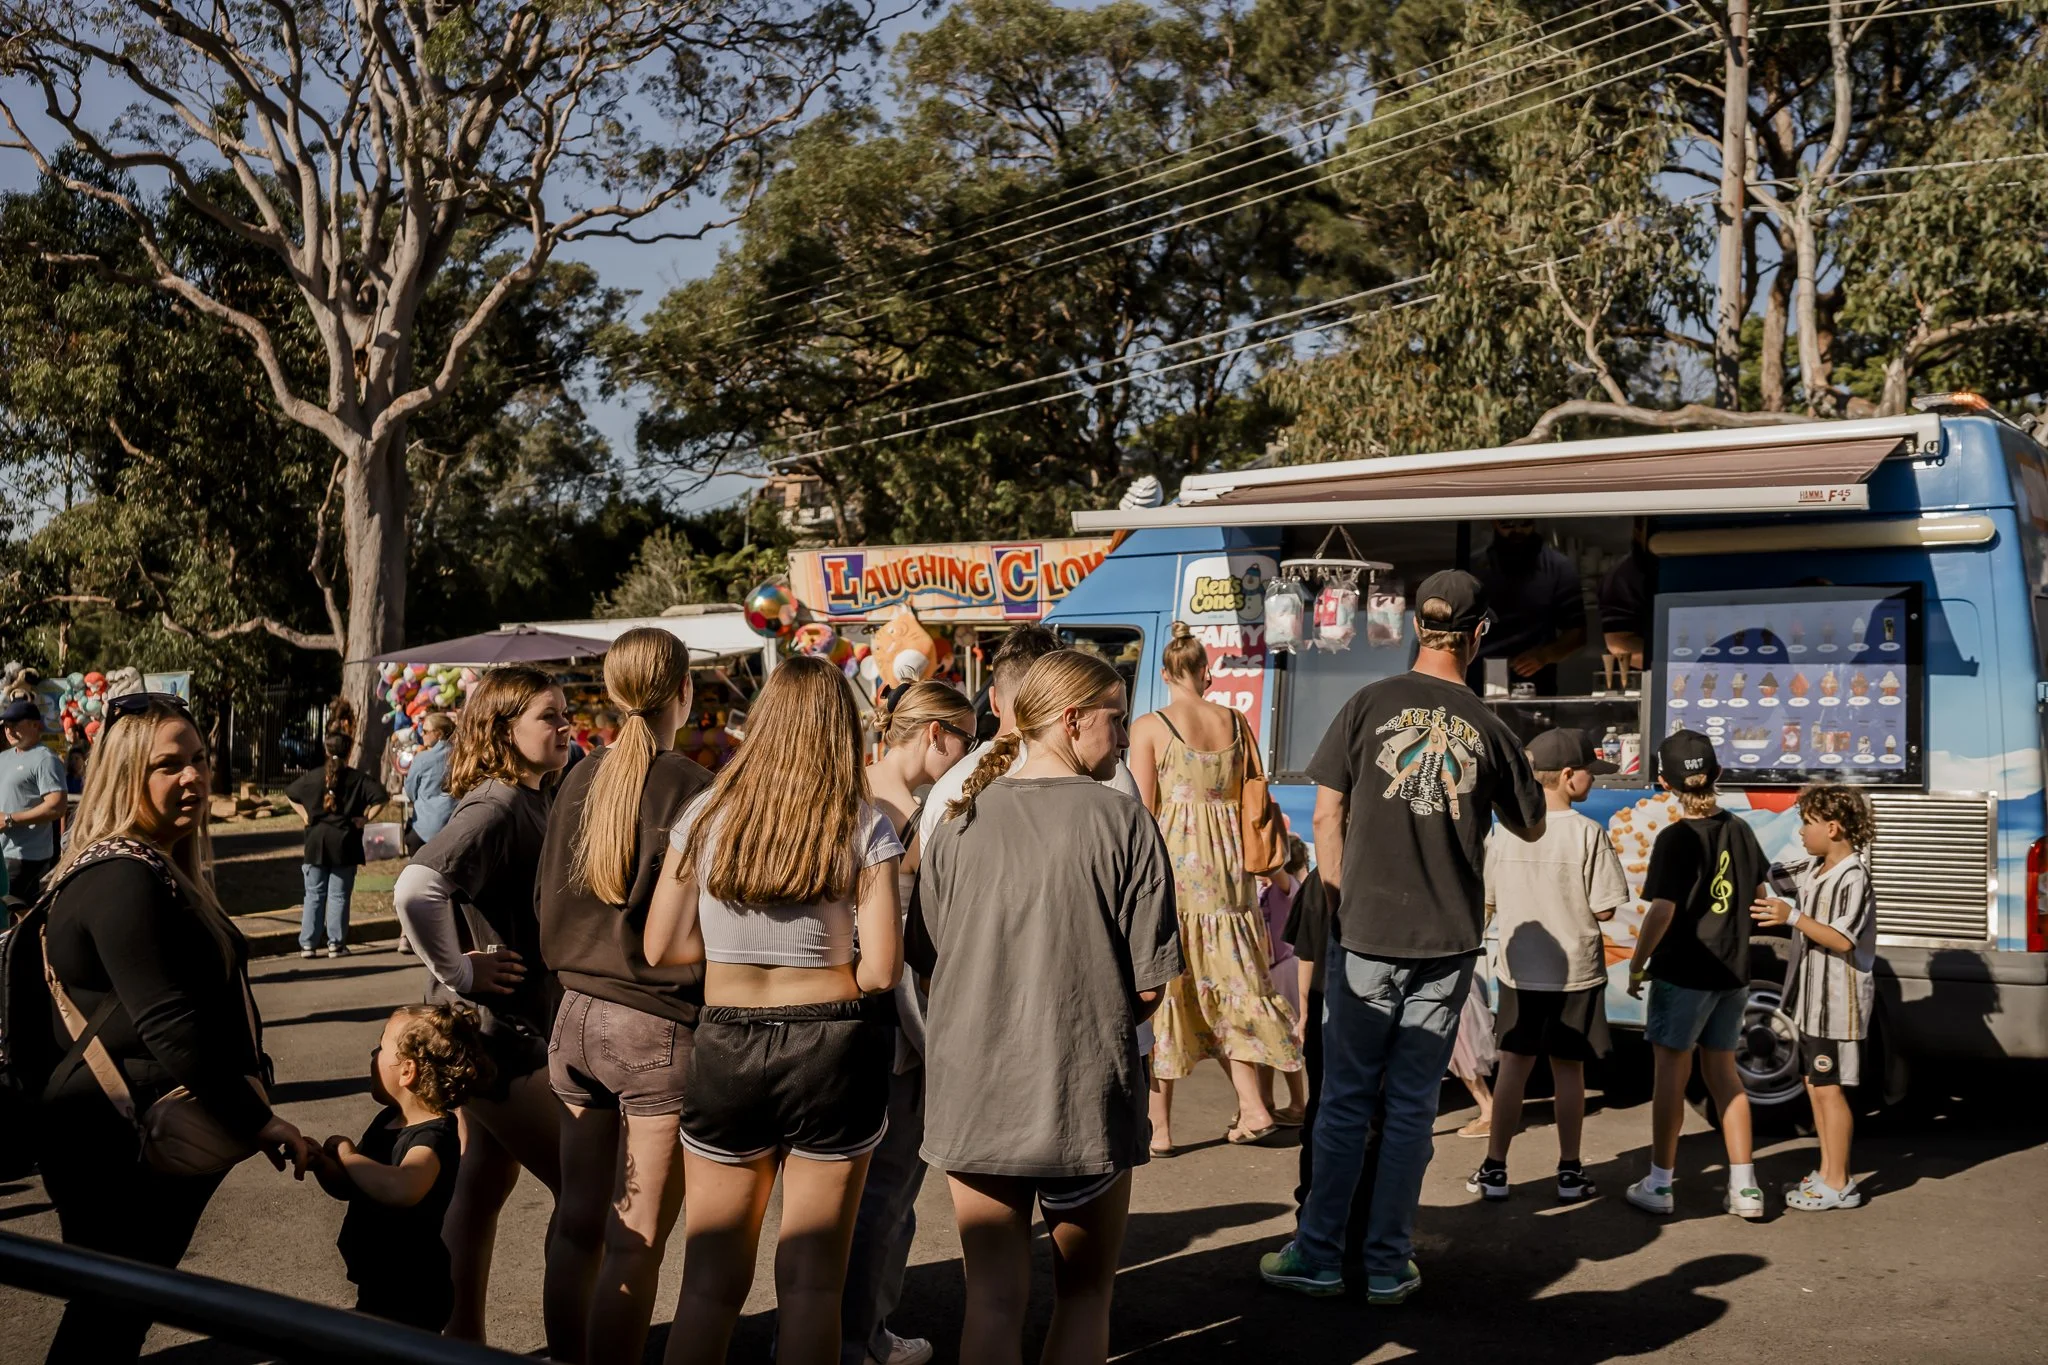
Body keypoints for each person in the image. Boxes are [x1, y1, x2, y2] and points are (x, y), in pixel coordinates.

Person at [1261, 569, 1546, 1304]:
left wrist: (1335, 902)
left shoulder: (1365, 704)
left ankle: (1319, 1253)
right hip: (1447, 941)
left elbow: (1326, 817)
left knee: (1346, 1100)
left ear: (1419, 625)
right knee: (1413, 1104)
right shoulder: (1490, 727)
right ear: (1480, 633)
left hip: (1365, 933)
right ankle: (1387, 1261)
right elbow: (1532, 821)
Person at [915, 649, 1182, 1365]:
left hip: (976, 1097)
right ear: (1072, 720)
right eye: (1116, 719)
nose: (1126, 737)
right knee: (1085, 1298)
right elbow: (1150, 985)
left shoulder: (958, 821)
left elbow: (934, 954)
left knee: (992, 1303)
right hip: (1082, 1094)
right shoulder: (1124, 822)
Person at [33, 692, 313, 1362]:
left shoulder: (150, 865)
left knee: (118, 1307)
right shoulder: (124, 876)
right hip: (117, 1139)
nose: (192, 776)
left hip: (131, 1129)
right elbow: (169, 1024)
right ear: (127, 775)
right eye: (168, 765)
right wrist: (257, 1119)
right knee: (111, 1313)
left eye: (198, 760)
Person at [644, 654, 904, 1365]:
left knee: (707, 1285)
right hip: (831, 1048)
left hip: (727, 1043)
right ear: (839, 730)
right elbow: (881, 968)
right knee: (814, 1285)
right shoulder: (861, 821)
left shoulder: (705, 814)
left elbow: (662, 944)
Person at [538, 629, 713, 1364]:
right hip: (654, 1027)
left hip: (572, 1015)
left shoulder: (579, 776)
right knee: (635, 1242)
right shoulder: (692, 787)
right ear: (685, 691)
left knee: (576, 1221)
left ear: (609, 695)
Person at [392, 665, 573, 1346]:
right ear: (504, 729)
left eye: (564, 713)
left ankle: (459, 1340)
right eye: (548, 717)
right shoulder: (495, 805)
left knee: (481, 1187)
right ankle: (574, 1345)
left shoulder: (532, 794)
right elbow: (415, 887)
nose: (564, 727)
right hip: (503, 1041)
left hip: (503, 1035)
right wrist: (459, 972)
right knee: (588, 1196)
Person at [841, 681, 975, 1365]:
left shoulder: (851, 791)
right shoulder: (904, 814)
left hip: (846, 1025)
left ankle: (839, 1329)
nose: (970, 752)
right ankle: (857, 1337)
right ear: (935, 735)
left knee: (855, 1199)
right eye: (968, 737)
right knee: (884, 1195)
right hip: (895, 1028)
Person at [1131, 621, 1300, 1150]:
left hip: (1177, 873)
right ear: (1206, 672)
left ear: (1164, 675)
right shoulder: (1235, 721)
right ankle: (1253, 1106)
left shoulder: (1150, 726)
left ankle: (1159, 1129)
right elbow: (1255, 797)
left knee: (1170, 992)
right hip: (1230, 878)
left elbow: (1141, 811)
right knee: (1235, 987)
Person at [1467, 729, 1627, 1202]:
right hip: (1575, 971)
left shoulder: (1504, 833)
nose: (1593, 782)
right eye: (1590, 774)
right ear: (1568, 776)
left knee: (1514, 1065)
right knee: (1568, 1070)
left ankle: (1495, 1168)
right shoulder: (1587, 833)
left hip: (1518, 968)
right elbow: (1604, 909)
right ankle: (1569, 1171)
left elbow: (1487, 903)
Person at [1624, 729, 1770, 1220]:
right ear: (1720, 775)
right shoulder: (1742, 830)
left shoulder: (1674, 837)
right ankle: (1746, 1187)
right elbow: (1760, 896)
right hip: (1733, 972)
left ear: (1664, 782)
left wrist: (1640, 962)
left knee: (1671, 1075)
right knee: (1724, 1075)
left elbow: (1662, 910)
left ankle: (1661, 1184)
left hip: (1682, 971)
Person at [312, 1003, 490, 1330]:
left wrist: (350, 1156)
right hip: (378, 1282)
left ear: (407, 1071)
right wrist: (322, 1165)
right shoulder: (387, 1122)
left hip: (414, 1291)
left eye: (380, 1048)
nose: (372, 1055)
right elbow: (352, 1186)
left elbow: (403, 1188)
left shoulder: (433, 1137)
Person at [1751, 783, 1878, 1212]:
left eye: (1807, 823)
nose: (1801, 832)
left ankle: (1840, 1182)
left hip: (1838, 1004)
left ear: (1834, 827)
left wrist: (1792, 916)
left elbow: (1843, 940)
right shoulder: (1815, 867)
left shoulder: (1853, 876)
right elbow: (1768, 876)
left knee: (1829, 1089)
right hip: (1811, 1001)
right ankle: (1826, 1172)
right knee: (1815, 1083)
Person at [286, 731, 390, 959]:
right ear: (349, 751)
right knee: (339, 895)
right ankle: (336, 943)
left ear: (326, 750)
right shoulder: (357, 778)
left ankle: (308, 944)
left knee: (313, 894)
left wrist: (305, 815)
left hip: (316, 841)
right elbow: (382, 797)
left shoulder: (313, 777)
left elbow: (290, 794)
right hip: (345, 842)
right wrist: (365, 818)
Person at [1468, 520, 1586, 696]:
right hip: (1478, 678)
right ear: (1494, 522)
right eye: (1507, 525)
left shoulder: (1558, 567)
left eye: (1525, 524)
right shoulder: (1474, 568)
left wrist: (1545, 655)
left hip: (1536, 682)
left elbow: (1577, 633)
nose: (1517, 530)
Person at [1255, 836, 1310, 1125]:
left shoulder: (1288, 887)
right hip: (1269, 968)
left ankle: (1298, 1103)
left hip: (1284, 968)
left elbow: (1275, 867)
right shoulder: (1268, 891)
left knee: (1284, 1035)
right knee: (1264, 1038)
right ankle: (1265, 1100)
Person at [1, 697, 69, 905]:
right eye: (6, 726)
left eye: (15, 724)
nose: (9, 730)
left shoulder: (45, 759)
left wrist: (10, 820)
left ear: (35, 725)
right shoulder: (4, 757)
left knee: (15, 913)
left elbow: (57, 806)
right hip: (3, 851)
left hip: (27, 857)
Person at [1444, 988, 1497, 1139]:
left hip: (1448, 1001)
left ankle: (1489, 1113)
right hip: (1454, 996)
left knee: (1462, 1056)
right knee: (1462, 1055)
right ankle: (1489, 1111)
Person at [404, 713, 458, 854]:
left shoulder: (423, 759)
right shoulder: (462, 756)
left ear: (439, 734)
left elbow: (410, 790)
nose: (421, 734)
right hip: (455, 827)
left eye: (426, 731)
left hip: (424, 829)